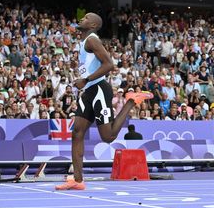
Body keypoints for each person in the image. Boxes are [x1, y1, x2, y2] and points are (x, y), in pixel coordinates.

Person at [55, 13, 151, 190]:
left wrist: (86, 79)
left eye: (85, 18)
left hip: (99, 89)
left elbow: (109, 65)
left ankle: (130, 101)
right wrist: (85, 81)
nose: (81, 19)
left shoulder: (92, 40)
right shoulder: (85, 41)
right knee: (77, 132)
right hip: (88, 91)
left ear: (92, 25)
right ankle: (77, 180)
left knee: (107, 137)